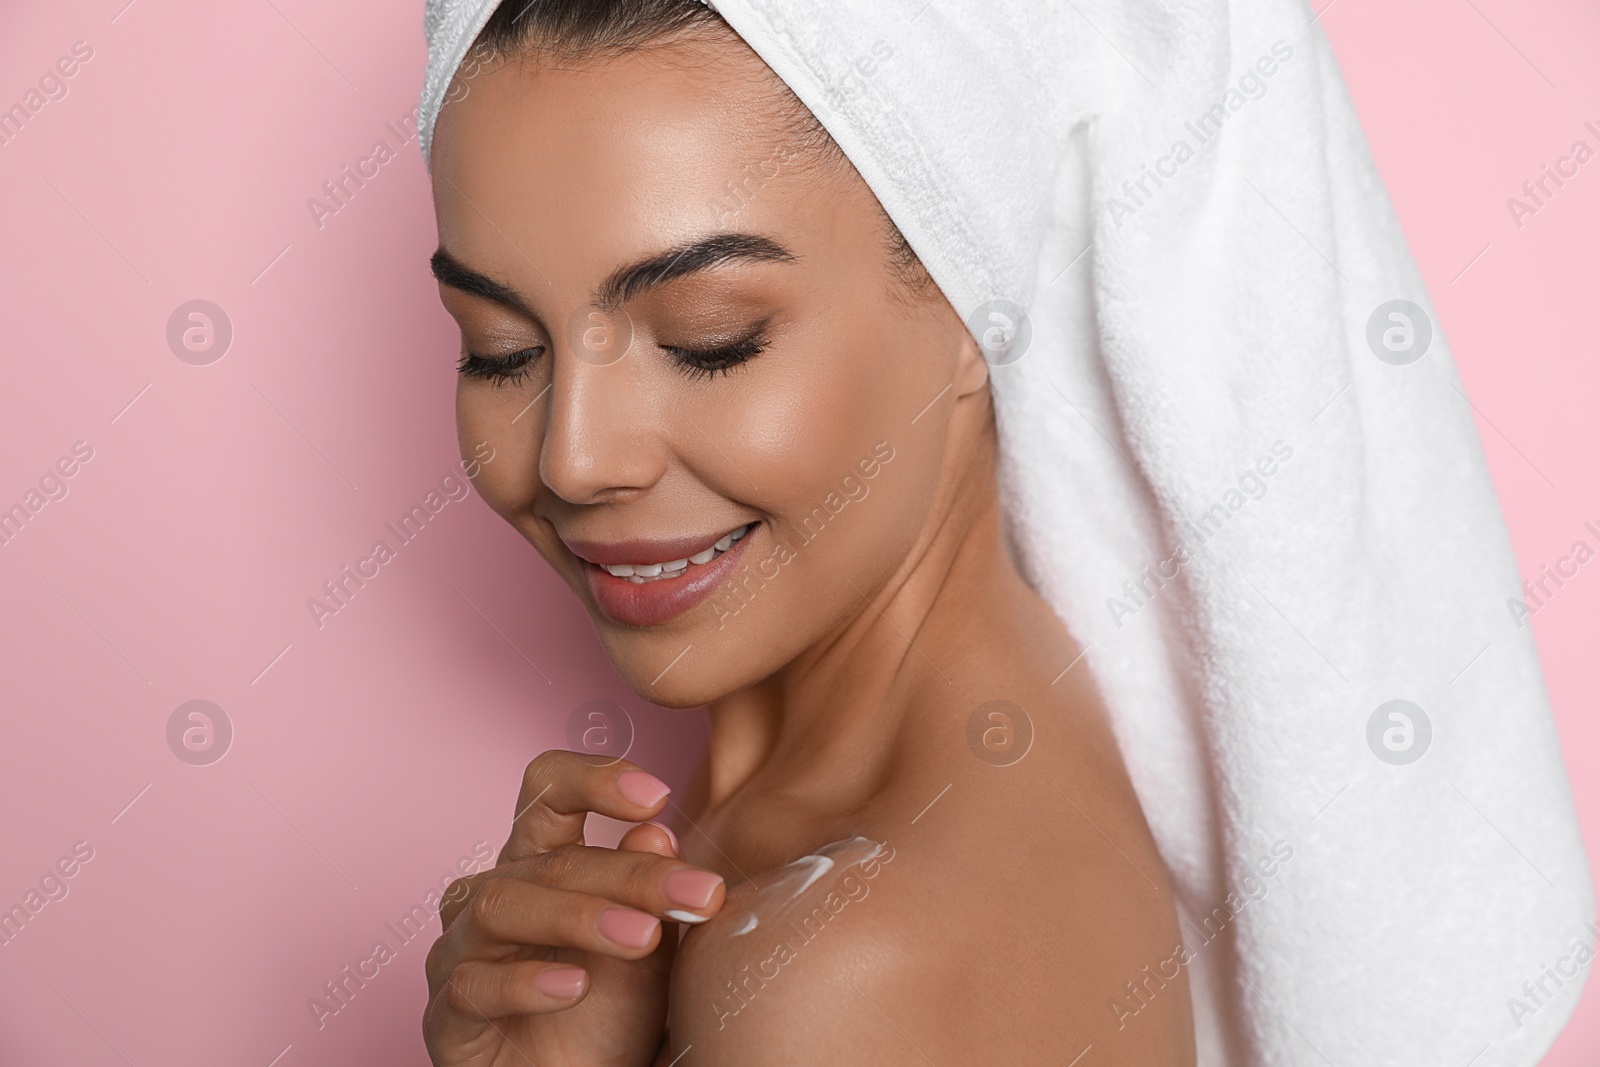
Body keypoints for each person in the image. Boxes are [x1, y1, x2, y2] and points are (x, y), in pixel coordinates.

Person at [418, 1, 1194, 1063]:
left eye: (708, 339)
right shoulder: (847, 835)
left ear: (970, 314)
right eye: (500, 349)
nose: (573, 459)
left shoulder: (848, 965)